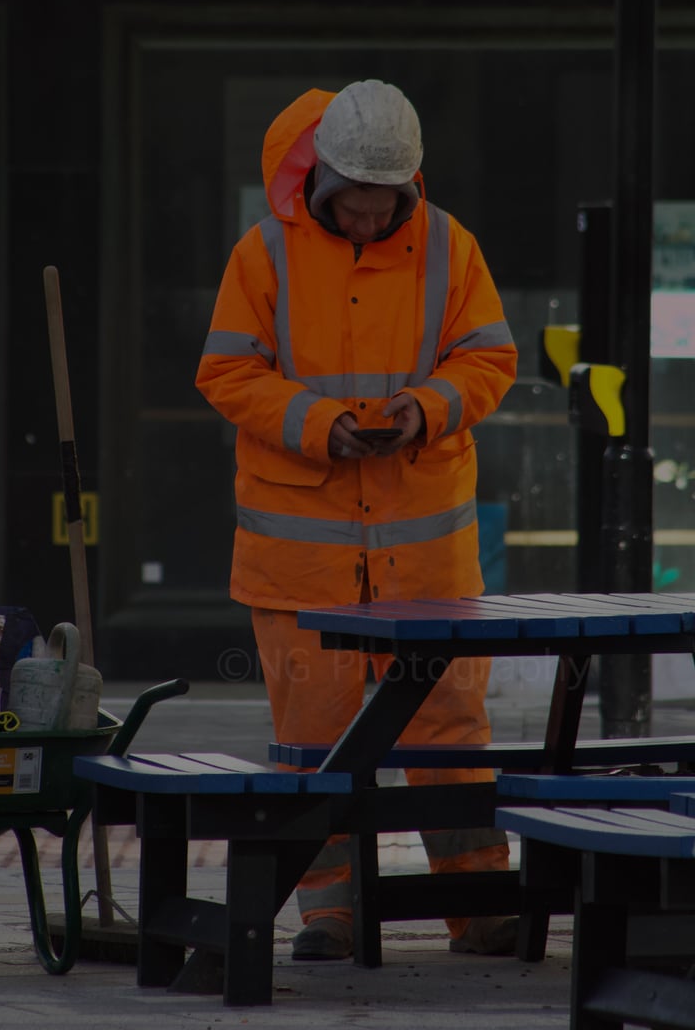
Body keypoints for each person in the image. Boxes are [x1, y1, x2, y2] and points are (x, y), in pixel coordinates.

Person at [195, 79, 519, 961]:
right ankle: (329, 914)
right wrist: (316, 424)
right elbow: (225, 374)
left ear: (411, 187)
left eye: (385, 211)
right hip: (300, 564)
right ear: (323, 183)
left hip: (425, 559)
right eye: (356, 210)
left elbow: (489, 357)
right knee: (313, 739)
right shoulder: (261, 257)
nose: (371, 226)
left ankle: (482, 903)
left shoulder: (451, 247)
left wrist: (428, 408)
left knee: (450, 733)